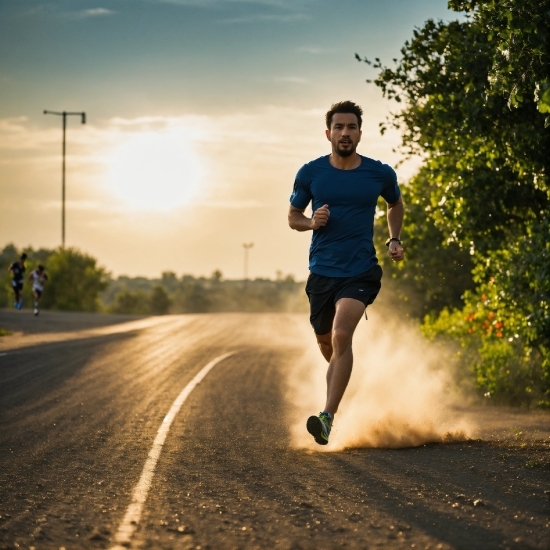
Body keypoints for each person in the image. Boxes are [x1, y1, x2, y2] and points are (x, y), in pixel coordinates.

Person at [288, 100, 405, 445]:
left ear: (359, 133)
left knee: (341, 336)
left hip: (361, 270)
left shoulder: (378, 173)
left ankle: (326, 417)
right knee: (328, 345)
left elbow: (394, 203)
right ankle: (345, 381)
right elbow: (293, 216)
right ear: (328, 133)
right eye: (338, 127)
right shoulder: (311, 173)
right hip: (322, 273)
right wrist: (311, 222)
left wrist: (394, 238)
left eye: (351, 127)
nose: (344, 133)